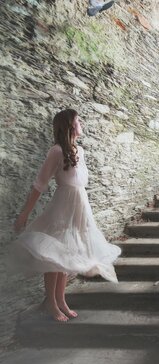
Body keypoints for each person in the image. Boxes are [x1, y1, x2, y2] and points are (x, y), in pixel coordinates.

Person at [8, 109, 120, 322]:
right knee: (54, 256)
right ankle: (51, 302)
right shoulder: (56, 151)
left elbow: (79, 183)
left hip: (79, 207)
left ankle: (61, 300)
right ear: (70, 125)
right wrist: (24, 214)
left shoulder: (80, 151)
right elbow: (39, 184)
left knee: (67, 255)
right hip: (62, 207)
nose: (82, 123)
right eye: (79, 120)